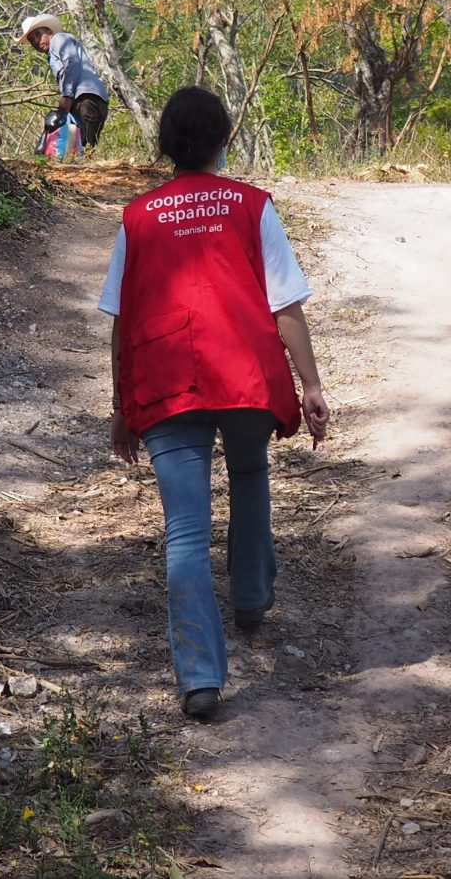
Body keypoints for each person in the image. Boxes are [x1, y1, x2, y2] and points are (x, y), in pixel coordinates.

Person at [97, 86, 329, 719]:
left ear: (166, 145)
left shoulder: (138, 216)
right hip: (247, 375)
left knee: (186, 533)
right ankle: (251, 597)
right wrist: (310, 385)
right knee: (250, 470)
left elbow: (119, 320)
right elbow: (286, 305)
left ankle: (200, 678)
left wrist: (123, 402)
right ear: (224, 139)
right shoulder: (252, 206)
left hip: (167, 378)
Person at [19, 13, 111, 149]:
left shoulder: (59, 39)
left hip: (85, 98)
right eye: (32, 40)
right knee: (83, 145)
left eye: (38, 35)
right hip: (94, 97)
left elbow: (71, 62)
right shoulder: (53, 53)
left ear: (49, 31)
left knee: (82, 144)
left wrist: (67, 96)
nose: (36, 42)